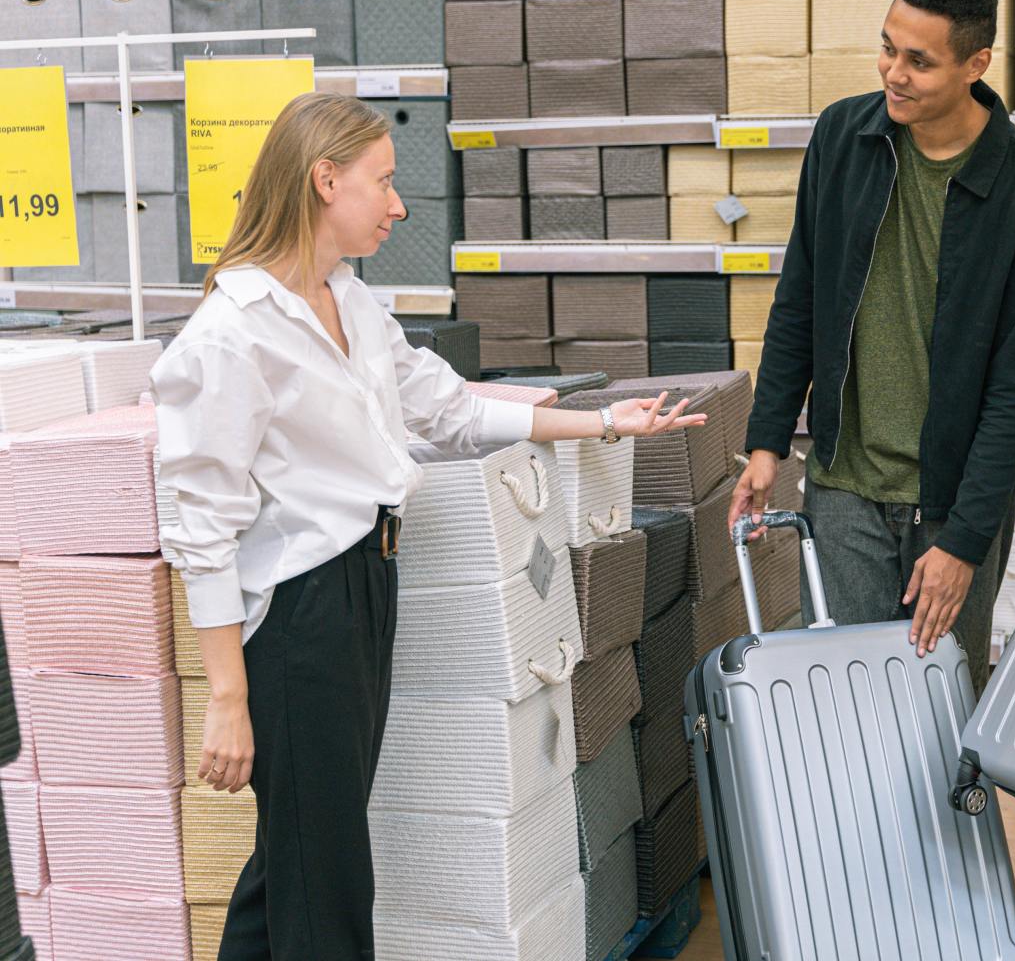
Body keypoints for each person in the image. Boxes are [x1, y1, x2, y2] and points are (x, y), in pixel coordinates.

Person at [151, 92, 704, 960]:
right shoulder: (231, 337)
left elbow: (448, 409)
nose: (399, 204)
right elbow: (198, 528)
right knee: (326, 875)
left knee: (301, 855)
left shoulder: (349, 304)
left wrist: (603, 423)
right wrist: (227, 699)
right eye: (384, 182)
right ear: (324, 179)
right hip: (301, 618)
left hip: (366, 586)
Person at [728, 0, 1015, 692]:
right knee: (855, 715)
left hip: (951, 509)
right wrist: (766, 442)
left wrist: (967, 542)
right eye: (888, 48)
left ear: (976, 63)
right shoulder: (843, 140)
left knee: (940, 715)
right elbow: (801, 299)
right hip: (844, 486)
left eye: (919, 61)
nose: (893, 72)